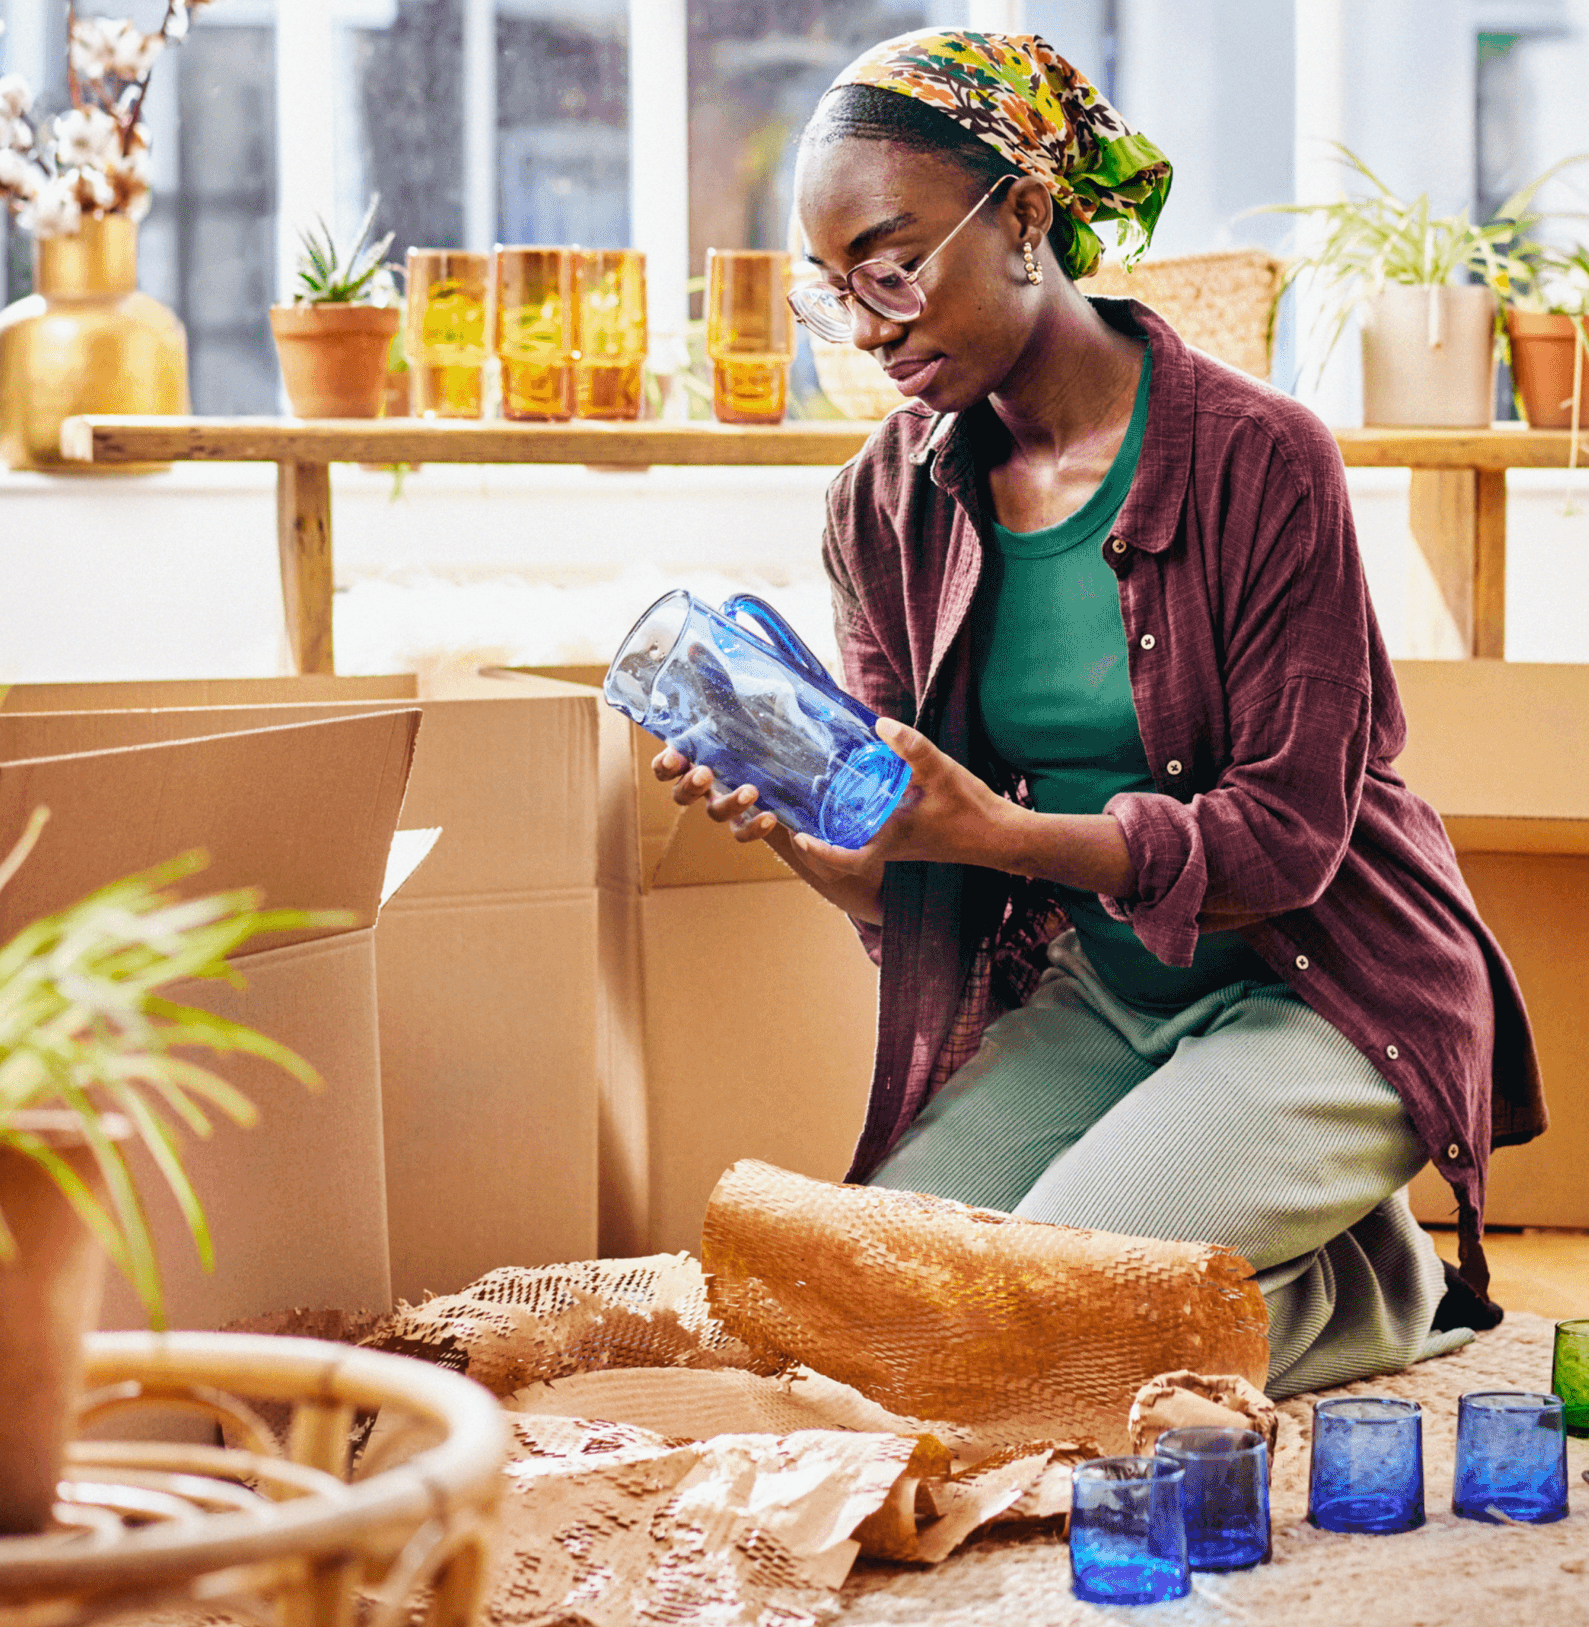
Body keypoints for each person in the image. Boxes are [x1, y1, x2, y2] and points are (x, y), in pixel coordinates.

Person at [656, 27, 1540, 1396]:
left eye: (893, 266)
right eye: (836, 294)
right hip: (1107, 997)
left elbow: (1289, 838)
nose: (873, 326)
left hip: (1332, 991)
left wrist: (1006, 833)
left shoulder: (1262, 456)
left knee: (1032, 1315)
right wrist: (792, 821)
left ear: (1021, 215)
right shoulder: (883, 505)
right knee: (871, 1307)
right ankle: (1273, 1242)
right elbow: (904, 881)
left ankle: (1371, 1285)